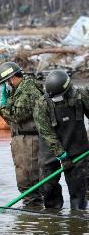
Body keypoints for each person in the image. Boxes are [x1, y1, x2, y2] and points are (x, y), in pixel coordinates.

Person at [0, 61, 43, 207]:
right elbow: (10, 117)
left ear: (11, 79)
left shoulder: (28, 90)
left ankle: (33, 212)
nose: (6, 86)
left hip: (29, 139)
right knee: (23, 180)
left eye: (5, 83)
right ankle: (31, 210)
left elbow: (17, 114)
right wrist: (5, 101)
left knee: (29, 180)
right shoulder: (18, 90)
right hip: (20, 139)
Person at [36, 70, 89, 209]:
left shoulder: (80, 96)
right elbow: (47, 133)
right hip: (50, 150)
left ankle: (78, 220)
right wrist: (62, 155)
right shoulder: (41, 105)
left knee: (79, 189)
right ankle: (53, 218)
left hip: (77, 147)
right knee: (47, 188)